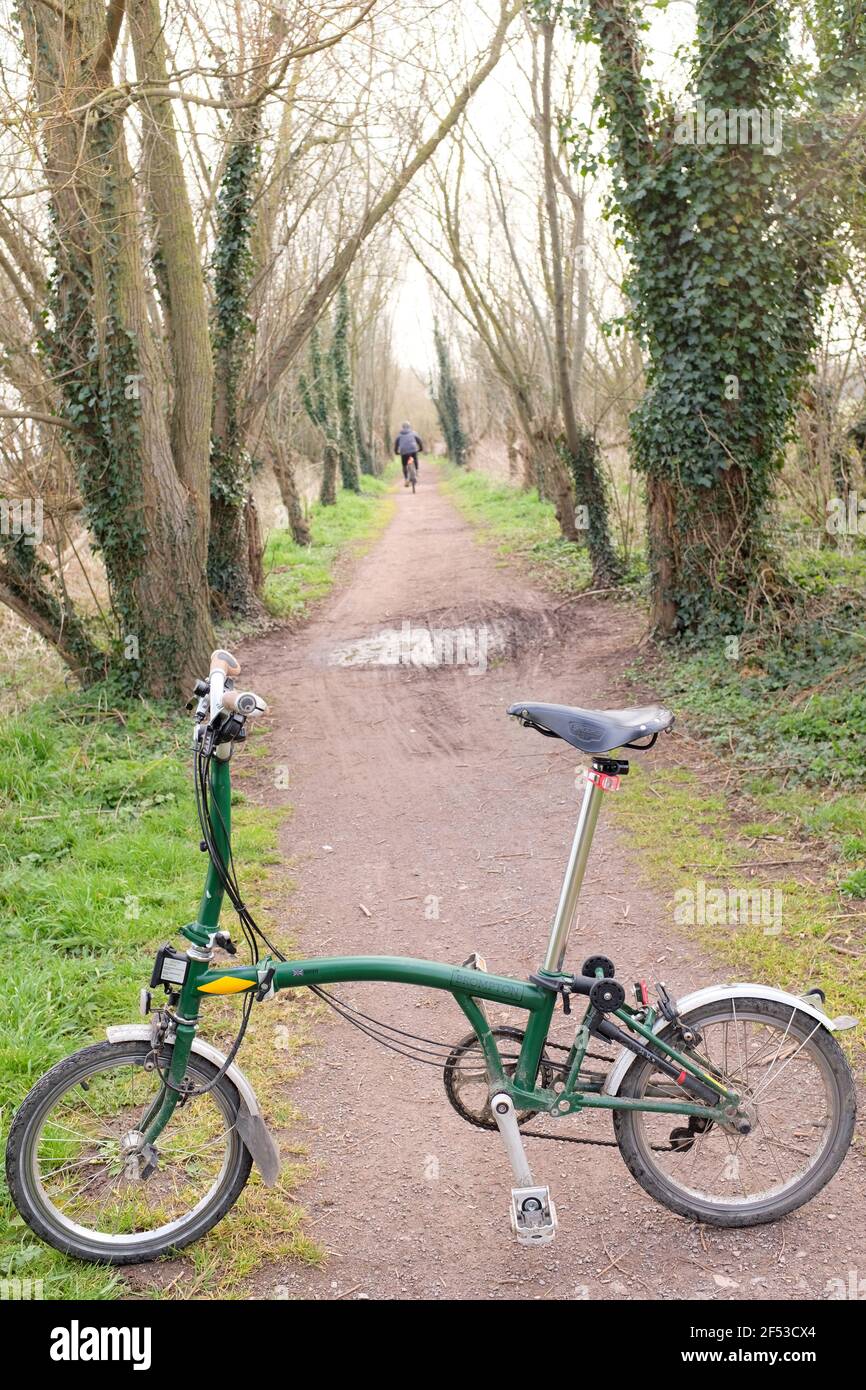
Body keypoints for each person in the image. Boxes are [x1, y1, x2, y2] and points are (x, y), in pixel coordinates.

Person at [394, 422, 423, 486]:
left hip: (403, 451)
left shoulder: (399, 435)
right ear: (409, 426)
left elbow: (396, 444)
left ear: (402, 427)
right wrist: (421, 448)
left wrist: (396, 452)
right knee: (415, 459)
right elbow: (419, 441)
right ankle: (417, 471)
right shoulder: (414, 433)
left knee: (404, 465)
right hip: (413, 449)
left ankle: (406, 478)